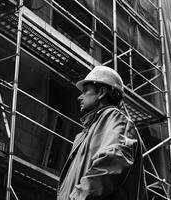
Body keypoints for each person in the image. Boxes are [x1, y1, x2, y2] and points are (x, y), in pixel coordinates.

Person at [57, 66, 147, 200]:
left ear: (102, 92)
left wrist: (78, 197)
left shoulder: (115, 119)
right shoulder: (87, 132)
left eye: (85, 91)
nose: (79, 97)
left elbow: (112, 163)